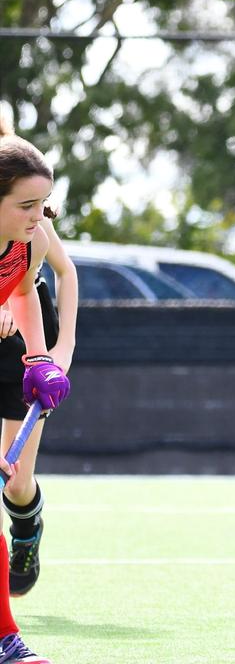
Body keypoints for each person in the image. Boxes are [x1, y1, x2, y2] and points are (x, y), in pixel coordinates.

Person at [0, 116, 73, 664]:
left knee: (14, 483)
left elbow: (25, 293)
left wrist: (40, 357)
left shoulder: (25, 243)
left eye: (44, 202)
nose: (40, 216)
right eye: (27, 205)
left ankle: (5, 641)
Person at [0, 213, 77, 597]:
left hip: (25, 349)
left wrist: (60, 350)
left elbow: (66, 272)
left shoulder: (29, 226)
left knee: (15, 483)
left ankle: (26, 533)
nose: (37, 210)